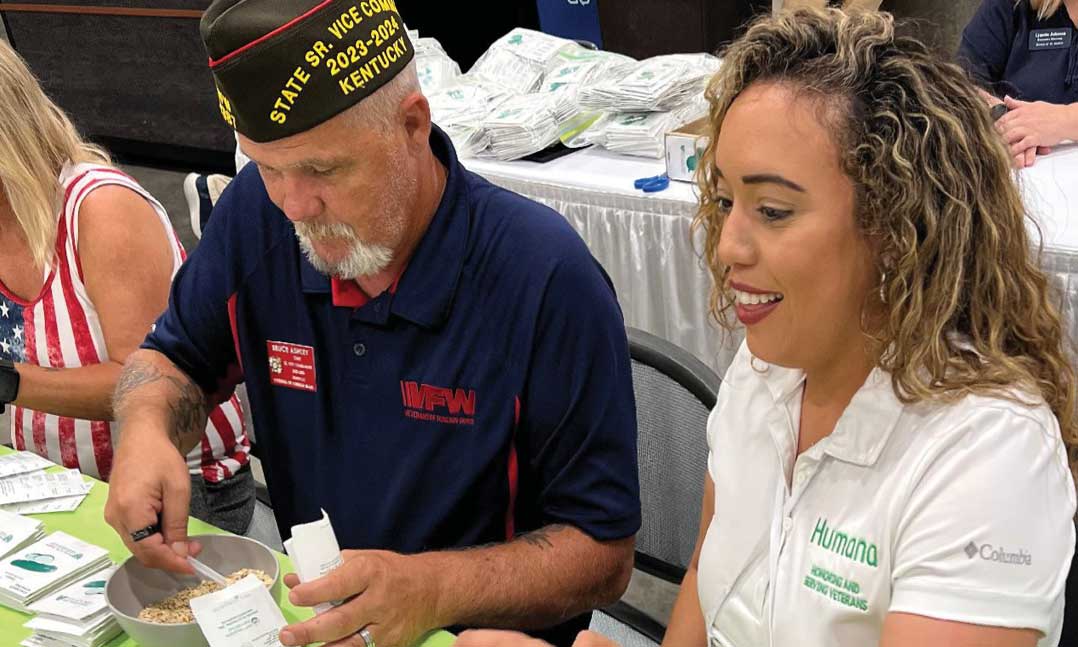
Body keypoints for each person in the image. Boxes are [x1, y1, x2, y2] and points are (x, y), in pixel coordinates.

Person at [457, 8, 1077, 647]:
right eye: (725, 201)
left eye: (773, 210)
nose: (726, 247)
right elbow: (708, 586)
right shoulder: (762, 376)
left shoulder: (987, 453)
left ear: (896, 228)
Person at [103, 1, 640, 647]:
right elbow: (175, 361)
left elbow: (603, 553)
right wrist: (144, 429)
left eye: (323, 169)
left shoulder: (543, 276)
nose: (295, 205)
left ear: (412, 124)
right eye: (267, 167)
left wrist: (432, 587)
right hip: (320, 619)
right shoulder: (258, 216)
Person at [0, 41, 254, 535]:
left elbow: (154, 380)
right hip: (50, 482)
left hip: (178, 490)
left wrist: (7, 382)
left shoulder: (100, 209)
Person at [958, 0, 1078, 167]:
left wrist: (1064, 119)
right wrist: (1006, 121)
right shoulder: (1012, 6)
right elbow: (960, 83)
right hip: (1018, 177)